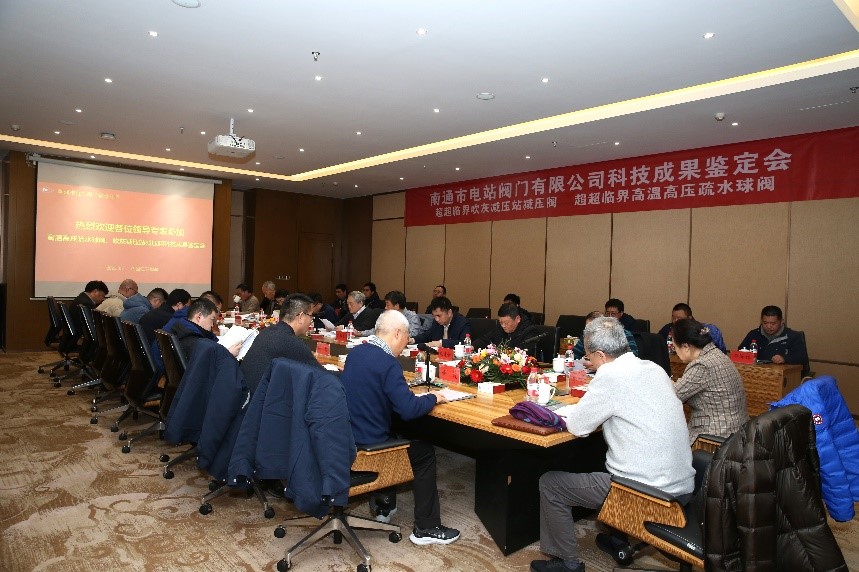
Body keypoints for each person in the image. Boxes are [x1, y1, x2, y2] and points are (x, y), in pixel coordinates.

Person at [531, 317, 694, 572]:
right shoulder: (654, 368)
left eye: (589, 357)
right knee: (612, 457)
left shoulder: (610, 375)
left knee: (551, 484)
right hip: (682, 486)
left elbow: (578, 426)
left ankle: (567, 563)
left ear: (600, 354)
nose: (589, 362)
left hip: (644, 494)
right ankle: (617, 537)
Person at [339, 310, 460, 546]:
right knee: (424, 453)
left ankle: (383, 505)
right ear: (396, 333)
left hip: (348, 436)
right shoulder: (388, 363)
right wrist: (434, 397)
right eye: (406, 337)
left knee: (398, 433)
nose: (407, 343)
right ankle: (426, 527)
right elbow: (408, 410)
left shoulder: (357, 352)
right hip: (368, 446)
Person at [672, 318, 748, 443]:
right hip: (737, 432)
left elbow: (672, 396)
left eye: (675, 347)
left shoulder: (702, 365)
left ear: (686, 346)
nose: (675, 351)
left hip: (714, 436)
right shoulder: (717, 354)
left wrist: (666, 383)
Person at [241, 293, 324, 393]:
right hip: (259, 399)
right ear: (301, 317)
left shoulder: (267, 331)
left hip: (246, 394)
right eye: (311, 316)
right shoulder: (291, 342)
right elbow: (322, 375)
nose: (311, 321)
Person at [738, 305, 809, 374]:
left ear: (781, 322)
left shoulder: (792, 336)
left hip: (782, 375)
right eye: (765, 323)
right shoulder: (754, 334)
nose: (769, 326)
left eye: (773, 323)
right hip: (757, 373)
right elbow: (741, 351)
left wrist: (784, 358)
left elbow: (802, 358)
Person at [170, 297, 240, 362]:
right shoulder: (194, 341)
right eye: (211, 320)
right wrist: (228, 354)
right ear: (199, 317)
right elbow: (207, 365)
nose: (212, 325)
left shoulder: (184, 328)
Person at [657, 303, 727, 352]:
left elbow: (721, 352)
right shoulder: (669, 328)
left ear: (689, 318)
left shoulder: (707, 330)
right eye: (673, 318)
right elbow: (656, 343)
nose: (675, 321)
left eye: (679, 318)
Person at [571, 311, 638, 360]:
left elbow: (633, 356)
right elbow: (573, 356)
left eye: (593, 329)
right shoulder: (587, 335)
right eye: (587, 328)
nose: (589, 332)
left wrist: (598, 364)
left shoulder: (623, 334)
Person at [473, 303, 538, 350]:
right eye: (501, 322)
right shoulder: (500, 327)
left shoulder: (530, 331)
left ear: (517, 319)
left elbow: (524, 355)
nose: (503, 326)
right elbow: (485, 340)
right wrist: (472, 346)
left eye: (506, 323)